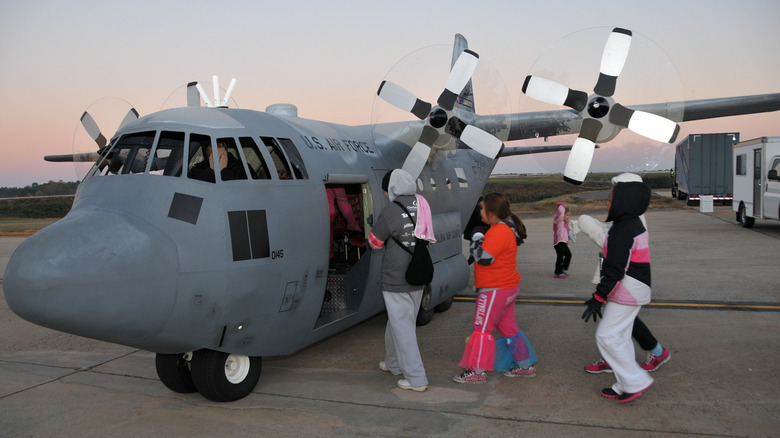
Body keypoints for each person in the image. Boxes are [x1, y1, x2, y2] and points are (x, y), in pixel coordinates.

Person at [574, 173, 670, 374]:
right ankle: (618, 360)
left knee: (618, 325)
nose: (612, 195)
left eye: (616, 188)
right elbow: (611, 233)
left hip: (625, 281)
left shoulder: (631, 218)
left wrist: (585, 223)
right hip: (621, 279)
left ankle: (652, 354)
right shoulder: (630, 212)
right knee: (621, 323)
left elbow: (611, 241)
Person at [581, 181, 655, 403]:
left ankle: (636, 381)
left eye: (611, 199)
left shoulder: (622, 230)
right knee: (620, 337)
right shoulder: (631, 223)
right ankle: (624, 384)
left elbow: (615, 270)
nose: (607, 202)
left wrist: (598, 297)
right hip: (635, 288)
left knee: (606, 336)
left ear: (624, 202)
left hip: (628, 291)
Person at [453, 193, 537, 384]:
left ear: (491, 214)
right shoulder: (504, 228)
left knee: (481, 329)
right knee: (508, 328)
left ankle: (476, 370)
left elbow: (483, 257)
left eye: (482, 209)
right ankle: (524, 365)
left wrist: (475, 239)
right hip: (506, 287)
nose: (479, 212)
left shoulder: (499, 231)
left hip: (495, 289)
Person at [368, 169, 435, 392]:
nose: (386, 195)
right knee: (397, 322)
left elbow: (375, 242)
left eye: (386, 191)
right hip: (419, 272)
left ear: (392, 189)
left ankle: (416, 378)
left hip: (396, 277)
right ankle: (393, 363)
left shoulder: (391, 210)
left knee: (404, 327)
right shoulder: (423, 203)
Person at [553, 202, 572, 278]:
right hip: (558, 242)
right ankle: (557, 272)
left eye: (569, 215)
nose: (568, 217)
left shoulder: (565, 223)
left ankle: (562, 269)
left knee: (568, 255)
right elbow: (560, 215)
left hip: (564, 242)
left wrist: (570, 237)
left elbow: (566, 233)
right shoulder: (559, 221)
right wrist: (561, 205)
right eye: (566, 215)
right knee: (560, 257)